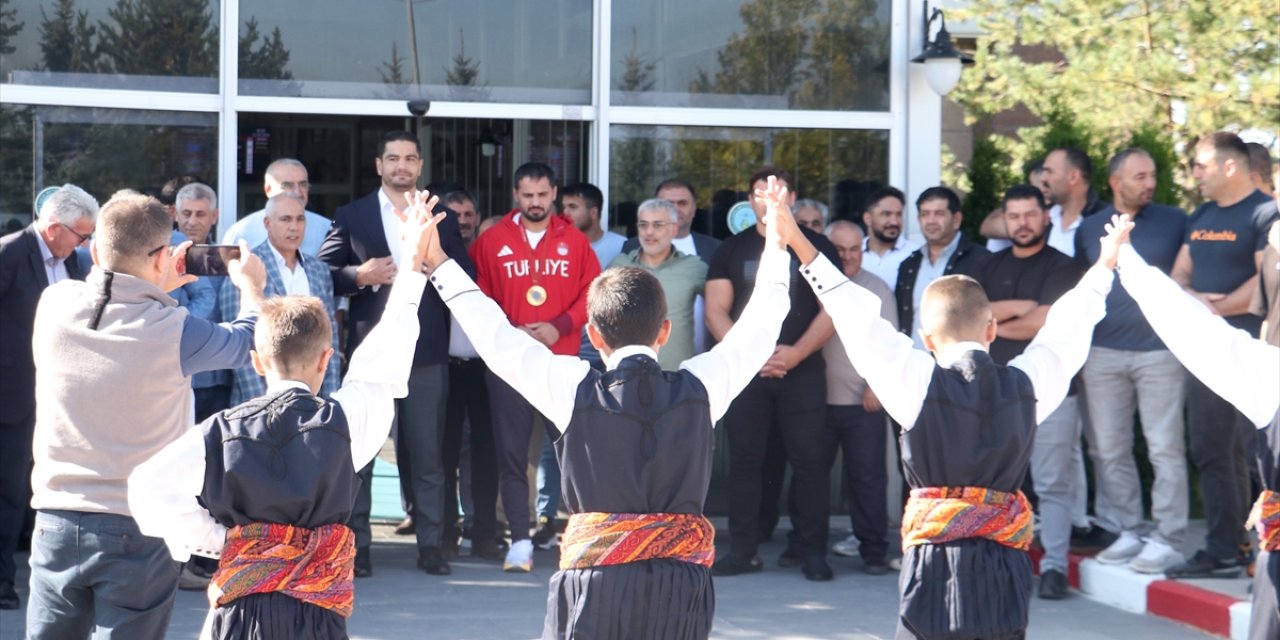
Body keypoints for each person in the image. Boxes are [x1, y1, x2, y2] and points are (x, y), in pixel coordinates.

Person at [431, 175, 795, 640]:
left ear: (594, 337)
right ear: (664, 332)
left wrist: (437, 261)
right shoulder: (702, 386)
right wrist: (777, 240)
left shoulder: (573, 386)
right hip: (679, 584)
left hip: (594, 584)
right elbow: (763, 322)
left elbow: (494, 336)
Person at [772, 177, 1126, 638]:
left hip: (933, 560)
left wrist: (796, 239)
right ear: (992, 330)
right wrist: (1105, 263)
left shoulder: (916, 380)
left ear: (927, 338)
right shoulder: (1028, 383)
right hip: (1005, 563)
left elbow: (853, 311)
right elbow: (1071, 324)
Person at [128, 192, 445, 640]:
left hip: (241, 611)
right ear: (325, 360)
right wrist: (412, 263)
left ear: (256, 362)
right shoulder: (348, 420)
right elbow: (390, 345)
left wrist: (223, 541)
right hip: (317, 614)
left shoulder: (218, 432)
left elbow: (145, 488)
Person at [25, 191, 265, 638]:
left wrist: (154, 276)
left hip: (55, 520)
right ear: (166, 259)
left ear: (95, 250)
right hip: (138, 525)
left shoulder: (54, 305)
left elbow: (112, 295)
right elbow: (249, 335)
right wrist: (251, 284)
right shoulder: (175, 331)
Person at [318, 129, 475, 577]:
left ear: (420, 166)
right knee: (362, 457)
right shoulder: (353, 214)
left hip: (425, 353)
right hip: (370, 353)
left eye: (409, 158)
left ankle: (431, 546)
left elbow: (467, 273)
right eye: (393, 158)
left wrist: (437, 261)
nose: (401, 166)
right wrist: (360, 275)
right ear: (379, 165)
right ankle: (359, 548)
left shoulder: (439, 215)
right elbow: (324, 274)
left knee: (428, 458)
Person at [1108, 238, 1278, 640]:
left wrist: (1127, 261)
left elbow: (1196, 329)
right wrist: (1129, 262)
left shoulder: (1268, 372)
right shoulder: (1270, 371)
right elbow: (1196, 328)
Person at [707, 166, 840, 581]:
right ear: (750, 201)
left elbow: (834, 307)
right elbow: (715, 311)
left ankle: (812, 551)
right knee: (745, 464)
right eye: (760, 194)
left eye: (777, 193)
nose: (769, 201)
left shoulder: (817, 248)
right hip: (748, 374)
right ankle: (743, 550)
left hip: (802, 371)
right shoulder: (731, 249)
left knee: (810, 463)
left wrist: (797, 353)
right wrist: (750, 354)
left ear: (792, 199)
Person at [468, 161, 601, 572]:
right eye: (528, 196)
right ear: (515, 195)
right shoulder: (492, 241)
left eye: (543, 195)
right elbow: (478, 298)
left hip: (560, 362)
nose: (536, 203)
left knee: (575, 455)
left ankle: (581, 538)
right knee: (511, 455)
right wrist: (510, 331)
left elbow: (593, 293)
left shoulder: (575, 241)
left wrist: (559, 325)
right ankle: (520, 541)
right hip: (510, 365)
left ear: (554, 193)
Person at [1165, 131, 1280, 578]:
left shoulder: (1266, 213)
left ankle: (1268, 548)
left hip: (1253, 350)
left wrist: (1210, 307)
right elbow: (1179, 273)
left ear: (1229, 166)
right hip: (1208, 353)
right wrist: (1199, 303)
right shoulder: (1202, 215)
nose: (1195, 174)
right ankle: (1225, 547)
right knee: (1211, 449)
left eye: (1201, 166)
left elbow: (1265, 281)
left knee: (1259, 454)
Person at [1076, 148, 1190, 574]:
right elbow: (1084, 289)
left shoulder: (1176, 221)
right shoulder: (1089, 229)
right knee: (1107, 449)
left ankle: (1168, 537)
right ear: (1115, 182)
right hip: (1103, 353)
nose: (1149, 183)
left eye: (1152, 175)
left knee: (1165, 448)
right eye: (1140, 176)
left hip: (1161, 352)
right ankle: (1129, 531)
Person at [972, 185, 1086, 599]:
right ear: (1006, 220)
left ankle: (1054, 566)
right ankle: (995, 561)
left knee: (1054, 482)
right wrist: (1021, 309)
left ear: (1045, 218)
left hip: (1054, 389)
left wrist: (998, 319)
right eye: (1014, 216)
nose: (1022, 223)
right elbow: (974, 319)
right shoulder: (985, 265)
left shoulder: (1066, 268)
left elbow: (1044, 322)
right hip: (995, 392)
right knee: (995, 483)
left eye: (1030, 215)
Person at [0, 185, 96, 611]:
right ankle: (3, 582)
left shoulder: (71, 260)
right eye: (81, 234)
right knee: (8, 490)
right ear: (54, 227)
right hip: (12, 394)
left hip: (57, 396)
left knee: (41, 490)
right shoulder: (9, 253)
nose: (86, 243)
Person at [820, 220, 898, 574]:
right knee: (812, 477)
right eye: (840, 250)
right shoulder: (815, 283)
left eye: (855, 249)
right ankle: (808, 546)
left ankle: (874, 551)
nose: (849, 257)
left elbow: (891, 345)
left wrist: (876, 386)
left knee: (867, 479)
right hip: (816, 401)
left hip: (862, 401)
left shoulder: (877, 288)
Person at [220, 193, 340, 405]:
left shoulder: (319, 270)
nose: (294, 227)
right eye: (286, 219)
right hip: (261, 402)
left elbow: (330, 338)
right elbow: (242, 345)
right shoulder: (248, 267)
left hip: (314, 403)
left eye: (300, 219)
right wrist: (262, 407)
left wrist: (330, 402)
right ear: (267, 223)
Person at [608, 198, 708, 369]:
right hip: (627, 375)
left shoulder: (694, 268)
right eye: (643, 225)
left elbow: (723, 309)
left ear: (674, 229)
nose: (649, 232)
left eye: (658, 225)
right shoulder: (619, 267)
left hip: (678, 376)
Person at [895, 186, 989, 350]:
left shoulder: (982, 260)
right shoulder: (909, 265)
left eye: (939, 213)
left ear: (956, 219)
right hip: (915, 365)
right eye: (925, 214)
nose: (931, 221)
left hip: (959, 368)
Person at [221, 158, 333, 257]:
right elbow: (225, 277)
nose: (297, 192)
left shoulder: (327, 229)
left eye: (303, 184)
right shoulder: (242, 232)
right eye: (288, 185)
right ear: (268, 189)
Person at [860, 186, 920, 287]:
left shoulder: (915, 255)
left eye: (899, 215)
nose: (894, 221)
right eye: (886, 214)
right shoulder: (852, 254)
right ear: (867, 219)